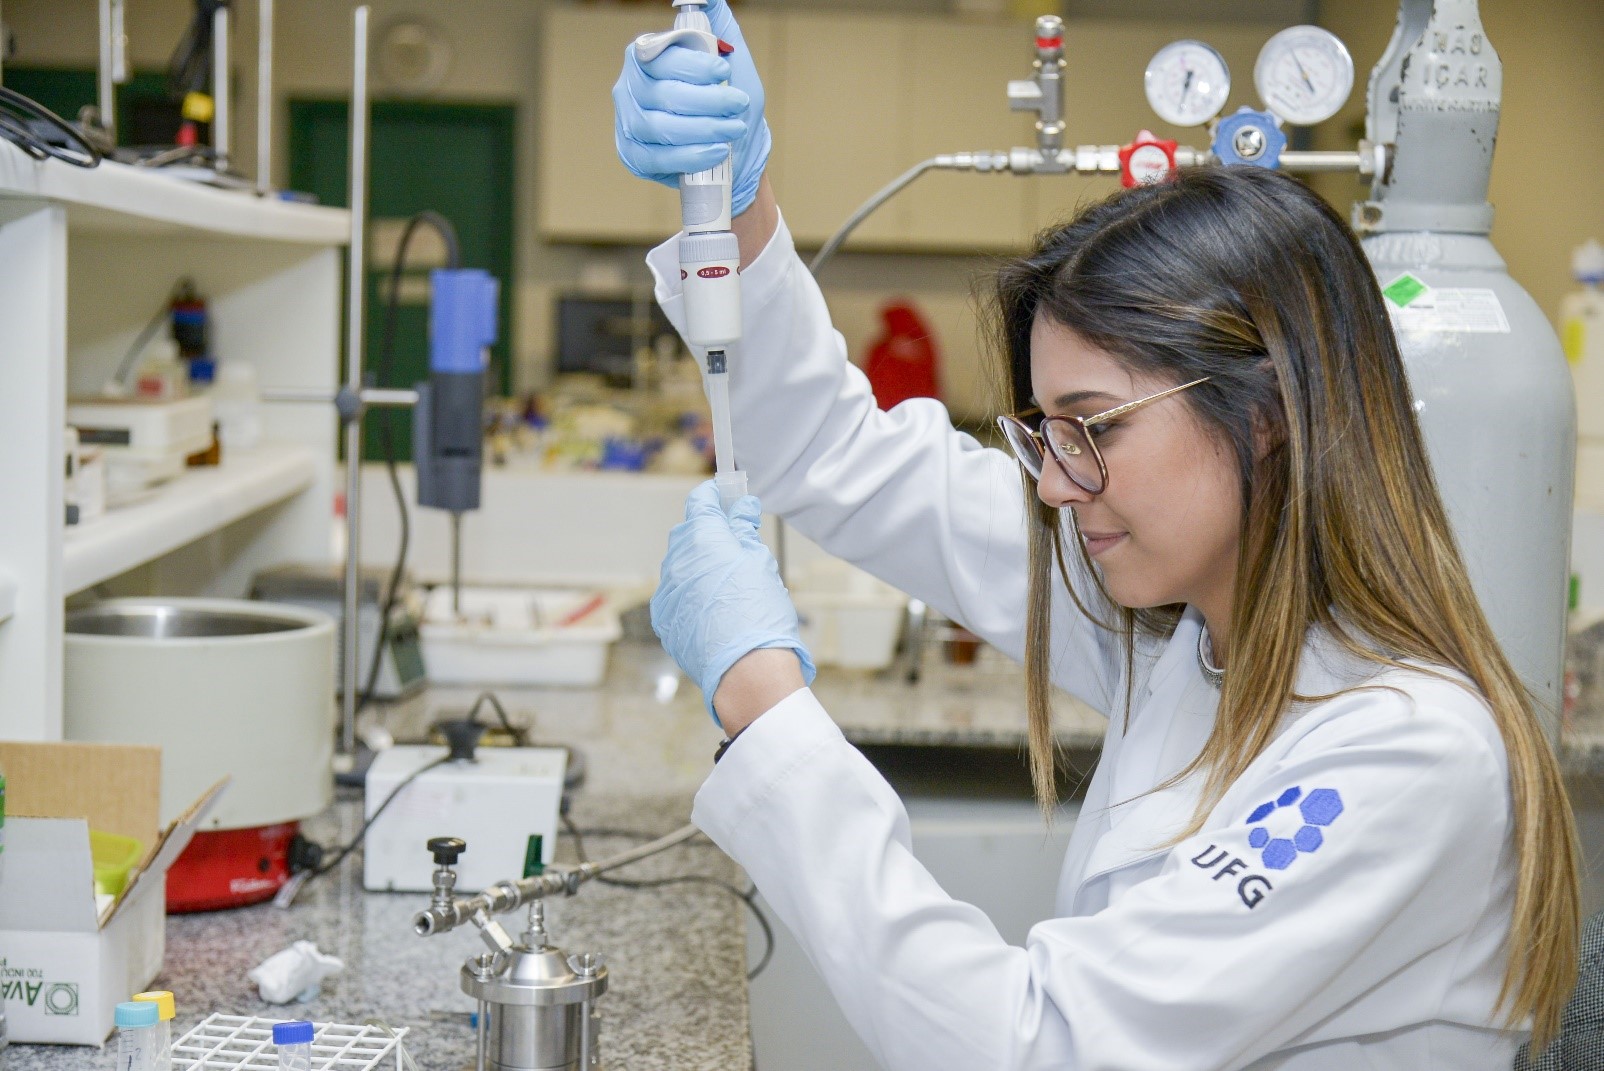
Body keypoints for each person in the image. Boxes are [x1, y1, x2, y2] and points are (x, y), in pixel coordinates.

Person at [615, 5, 1581, 1067]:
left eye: (1097, 427)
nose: (1060, 485)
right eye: (1046, 432)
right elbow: (833, 452)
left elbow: (1033, 1049)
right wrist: (737, 207)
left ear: (1268, 414)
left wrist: (763, 704)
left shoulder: (1407, 753)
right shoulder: (1191, 634)